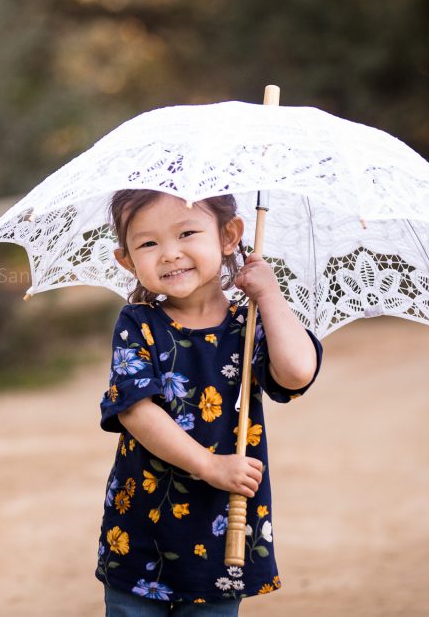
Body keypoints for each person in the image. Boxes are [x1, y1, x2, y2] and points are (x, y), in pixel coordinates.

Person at [95, 189, 323, 615]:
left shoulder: (249, 323)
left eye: (186, 233)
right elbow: (136, 411)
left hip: (223, 530)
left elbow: (296, 373)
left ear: (230, 235)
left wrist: (270, 297)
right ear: (126, 260)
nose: (169, 253)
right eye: (148, 243)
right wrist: (208, 464)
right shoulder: (138, 324)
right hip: (142, 530)